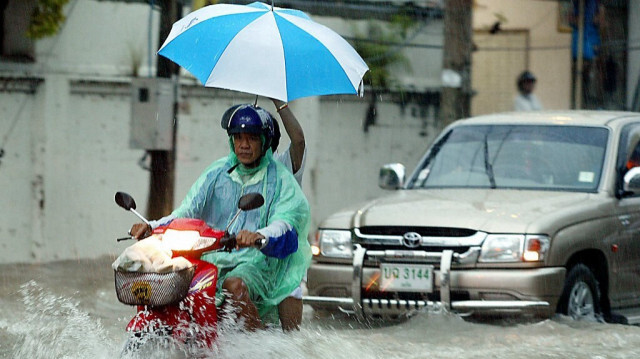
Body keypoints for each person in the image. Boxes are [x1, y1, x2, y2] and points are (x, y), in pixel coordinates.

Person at [130, 104, 311, 331]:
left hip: (261, 259)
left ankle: (264, 346)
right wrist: (151, 226)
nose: (244, 145)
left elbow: (284, 221)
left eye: (252, 138)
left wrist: (257, 236)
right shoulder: (218, 173)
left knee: (234, 285)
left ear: (265, 141)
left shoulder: (281, 174)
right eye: (238, 137)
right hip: (217, 254)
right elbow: (186, 211)